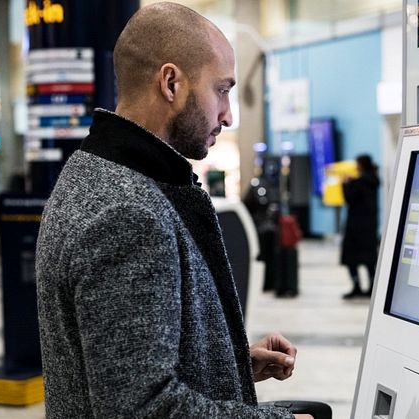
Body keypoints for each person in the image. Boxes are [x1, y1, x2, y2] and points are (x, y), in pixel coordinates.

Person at [35, 3, 311, 418]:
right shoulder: (127, 213)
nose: (228, 115)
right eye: (221, 89)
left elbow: (117, 368)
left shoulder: (95, 175)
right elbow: (141, 408)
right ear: (171, 83)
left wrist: (229, 365)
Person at [340, 155, 380, 299]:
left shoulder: (359, 182)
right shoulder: (373, 181)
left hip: (355, 227)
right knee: (369, 260)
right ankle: (371, 287)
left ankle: (356, 286)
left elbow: (349, 198)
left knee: (352, 259)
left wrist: (345, 184)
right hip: (369, 226)